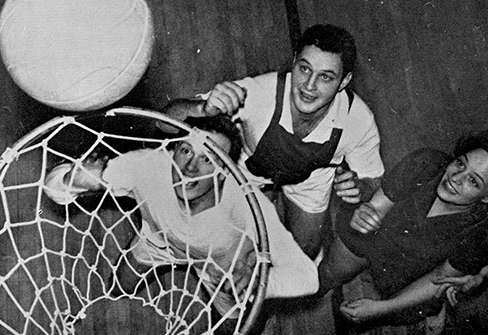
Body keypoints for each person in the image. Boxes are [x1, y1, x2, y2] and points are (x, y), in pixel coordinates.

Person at [44, 115, 318, 329]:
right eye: (185, 151)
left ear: (225, 173)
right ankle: (103, 309)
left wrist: (263, 282)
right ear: (172, 150)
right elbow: (54, 187)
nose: (190, 168)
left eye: (208, 159)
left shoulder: (250, 206)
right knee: (118, 285)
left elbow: (308, 277)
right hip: (159, 242)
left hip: (221, 270)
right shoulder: (146, 167)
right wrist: (74, 180)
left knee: (232, 326)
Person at [164, 24, 384, 257]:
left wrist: (360, 187)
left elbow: (373, 181)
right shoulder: (258, 93)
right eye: (305, 69)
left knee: (304, 253)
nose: (309, 86)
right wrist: (200, 108)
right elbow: (163, 122)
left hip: (309, 180)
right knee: (200, 228)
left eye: (326, 77)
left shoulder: (358, 121)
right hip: (246, 168)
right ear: (294, 61)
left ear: (344, 81)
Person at [316, 131, 488, 326]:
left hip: (416, 272)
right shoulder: (426, 163)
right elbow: (377, 207)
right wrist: (366, 215)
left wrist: (381, 308)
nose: (456, 178)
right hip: (379, 236)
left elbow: (441, 275)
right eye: (460, 163)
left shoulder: (483, 232)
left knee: (394, 314)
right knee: (329, 272)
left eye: (473, 181)